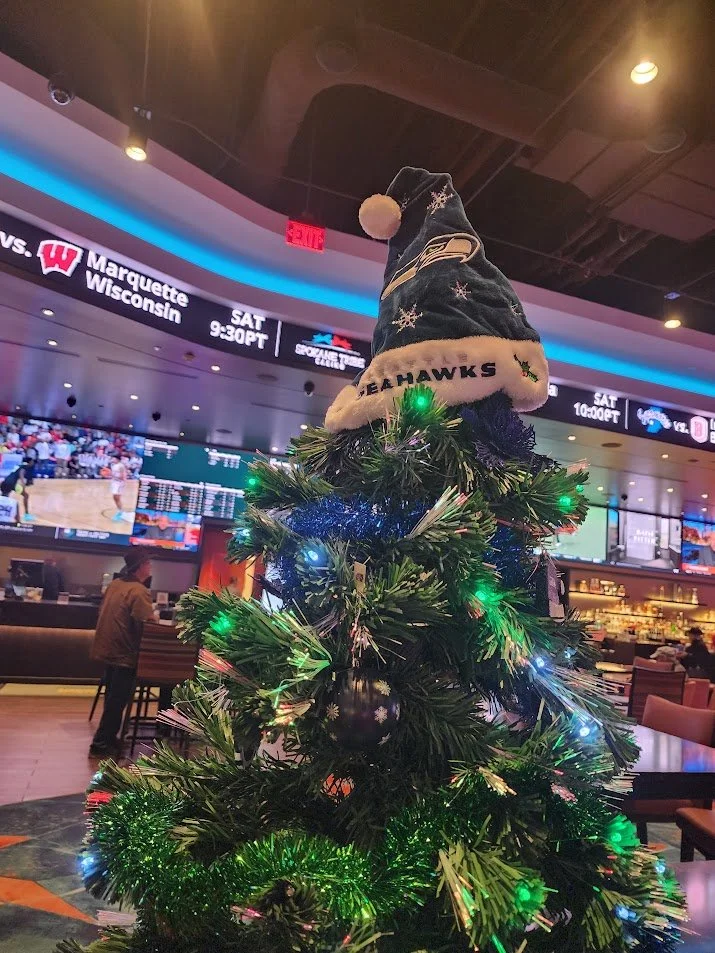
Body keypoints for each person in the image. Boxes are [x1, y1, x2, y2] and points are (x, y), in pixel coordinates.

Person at [89, 548, 156, 757]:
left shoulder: (115, 585)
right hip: (124, 653)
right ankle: (100, 743)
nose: (150, 567)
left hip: (107, 649)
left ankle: (109, 738)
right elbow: (145, 624)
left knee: (112, 698)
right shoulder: (138, 591)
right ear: (141, 567)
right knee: (117, 700)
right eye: (148, 564)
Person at [110, 452, 129, 522]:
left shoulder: (121, 466)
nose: (112, 459)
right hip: (114, 482)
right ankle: (120, 511)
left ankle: (121, 512)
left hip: (119, 483)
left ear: (117, 459)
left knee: (117, 498)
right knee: (115, 498)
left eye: (113, 458)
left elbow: (122, 476)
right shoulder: (113, 465)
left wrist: (113, 476)